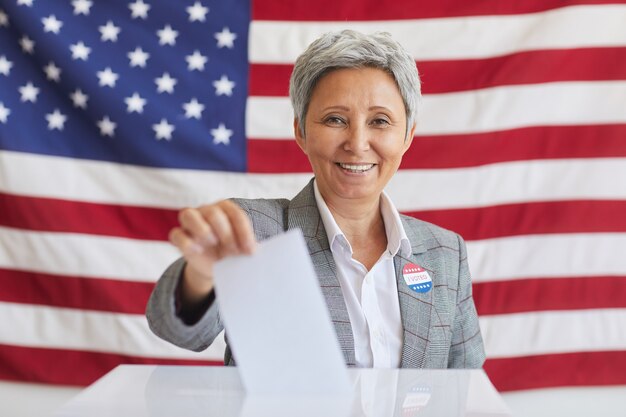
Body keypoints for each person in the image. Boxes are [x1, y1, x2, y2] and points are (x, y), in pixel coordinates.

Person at [146, 30, 485, 369]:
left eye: (380, 121)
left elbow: (466, 389)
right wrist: (200, 277)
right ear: (301, 132)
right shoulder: (252, 230)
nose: (357, 143)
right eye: (335, 119)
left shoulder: (445, 253)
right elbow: (178, 331)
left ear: (407, 136)